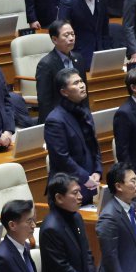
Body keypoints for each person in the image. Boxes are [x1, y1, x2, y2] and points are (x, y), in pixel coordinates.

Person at [39, 174, 97, 272]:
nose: (80, 197)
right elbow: (61, 268)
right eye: (75, 193)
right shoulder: (50, 228)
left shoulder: (77, 217)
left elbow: (87, 251)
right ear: (59, 198)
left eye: (80, 191)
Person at [45, 68, 103, 204]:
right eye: (76, 83)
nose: (82, 85)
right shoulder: (55, 120)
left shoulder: (84, 111)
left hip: (90, 181)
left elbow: (94, 144)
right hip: (67, 190)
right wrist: (85, 178)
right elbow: (61, 158)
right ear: (64, 92)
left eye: (82, 81)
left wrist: (98, 170)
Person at [96, 165, 136, 272]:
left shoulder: (134, 207)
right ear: (119, 186)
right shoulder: (108, 217)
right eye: (133, 181)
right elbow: (109, 256)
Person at [57, 0, 111, 70]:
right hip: (80, 55)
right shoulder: (68, 3)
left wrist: (107, 50)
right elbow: (65, 33)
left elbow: (105, 28)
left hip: (101, 53)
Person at [35, 21, 85, 122]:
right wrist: (50, 124)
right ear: (54, 39)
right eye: (66, 35)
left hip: (78, 115)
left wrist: (87, 115)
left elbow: (84, 92)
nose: (71, 38)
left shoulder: (78, 58)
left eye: (72, 34)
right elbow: (45, 101)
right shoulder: (46, 64)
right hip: (59, 119)